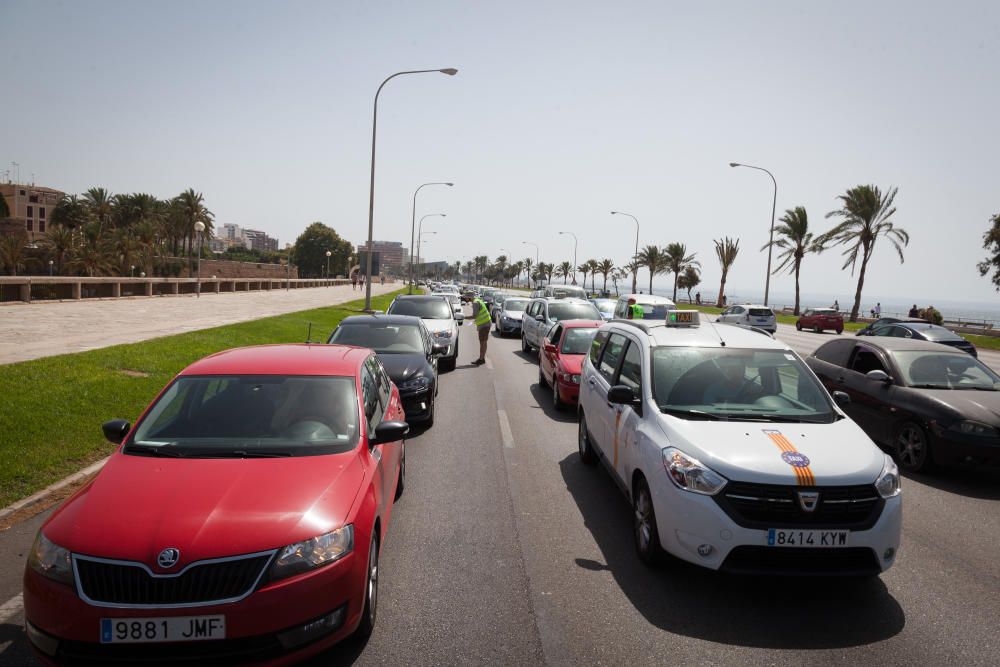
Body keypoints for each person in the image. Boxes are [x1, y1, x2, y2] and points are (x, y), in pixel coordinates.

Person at [470, 295, 492, 365]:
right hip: (486, 323)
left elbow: (474, 316)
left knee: (482, 342)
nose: (465, 298)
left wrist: (463, 317)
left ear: (469, 297)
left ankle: (481, 359)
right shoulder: (478, 300)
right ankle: (482, 358)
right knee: (484, 342)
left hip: (484, 325)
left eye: (466, 297)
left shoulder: (475, 303)